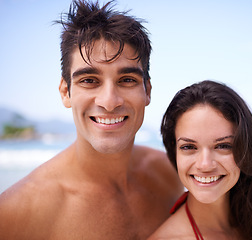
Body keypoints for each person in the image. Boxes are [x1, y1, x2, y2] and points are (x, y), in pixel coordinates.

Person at [0, 1, 183, 239]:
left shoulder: (171, 173)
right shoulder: (17, 211)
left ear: (147, 91)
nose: (109, 101)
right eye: (89, 80)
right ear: (66, 92)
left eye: (127, 80)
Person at [148, 80, 252, 240]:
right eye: (188, 147)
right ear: (174, 150)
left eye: (223, 146)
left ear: (246, 150)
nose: (205, 164)